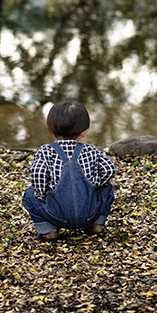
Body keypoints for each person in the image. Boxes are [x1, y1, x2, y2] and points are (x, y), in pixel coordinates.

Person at [22, 100, 117, 240]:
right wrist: (97, 183)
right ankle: (95, 225)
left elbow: (38, 174)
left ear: (49, 129)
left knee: (30, 194)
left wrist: (41, 195)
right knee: (107, 188)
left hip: (55, 215)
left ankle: (49, 230)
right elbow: (109, 169)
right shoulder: (91, 150)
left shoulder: (45, 151)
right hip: (90, 212)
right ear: (85, 132)